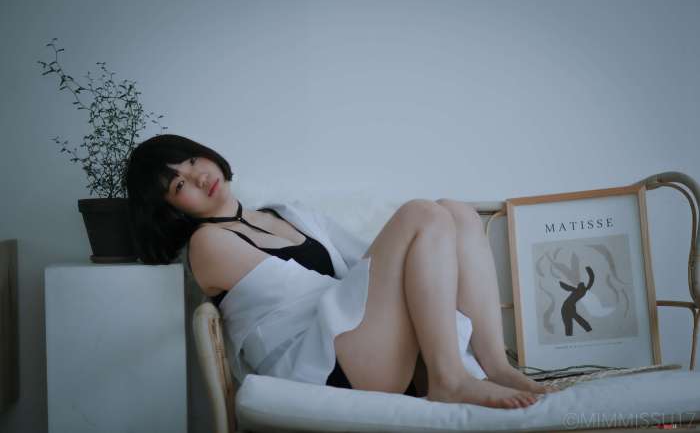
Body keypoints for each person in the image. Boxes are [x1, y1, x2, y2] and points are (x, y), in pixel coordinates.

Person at [125, 134, 555, 410]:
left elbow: (363, 264)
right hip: (326, 368)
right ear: (172, 211)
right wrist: (402, 274)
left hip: (366, 344)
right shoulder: (207, 244)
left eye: (191, 161)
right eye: (179, 185)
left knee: (455, 212)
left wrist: (407, 274)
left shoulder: (286, 213)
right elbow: (340, 290)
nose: (198, 177)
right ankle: (448, 379)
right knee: (421, 215)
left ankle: (496, 365)